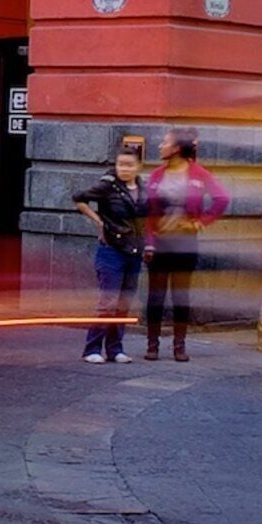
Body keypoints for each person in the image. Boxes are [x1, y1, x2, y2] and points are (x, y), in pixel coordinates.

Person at [140, 130, 229, 360]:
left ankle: (179, 346)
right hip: (159, 243)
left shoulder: (198, 174)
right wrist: (149, 244)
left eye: (165, 142)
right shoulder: (157, 176)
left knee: (181, 296)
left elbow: (222, 199)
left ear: (177, 148)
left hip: (185, 243)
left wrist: (200, 223)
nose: (160, 145)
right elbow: (148, 214)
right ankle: (152, 345)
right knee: (155, 296)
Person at [73, 133, 147, 364]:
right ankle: (92, 349)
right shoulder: (108, 186)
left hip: (133, 251)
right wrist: (99, 221)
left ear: (138, 167)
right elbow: (79, 198)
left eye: (129, 165)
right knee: (108, 301)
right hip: (111, 249)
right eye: (120, 165)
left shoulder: (143, 188)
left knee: (124, 302)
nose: (124, 169)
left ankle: (115, 349)